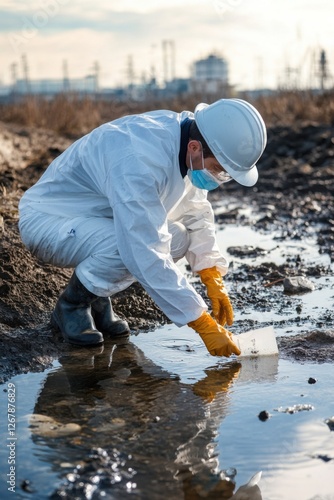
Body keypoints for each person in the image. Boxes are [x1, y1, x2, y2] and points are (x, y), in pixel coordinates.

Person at [18, 98, 267, 357]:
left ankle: (97, 300)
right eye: (219, 169)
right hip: (49, 221)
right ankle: (72, 305)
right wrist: (200, 321)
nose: (219, 178)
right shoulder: (138, 159)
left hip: (96, 219)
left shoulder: (186, 142)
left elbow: (196, 212)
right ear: (195, 147)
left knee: (177, 238)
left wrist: (211, 273)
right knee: (129, 246)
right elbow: (143, 248)